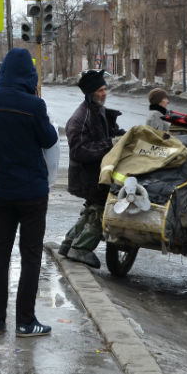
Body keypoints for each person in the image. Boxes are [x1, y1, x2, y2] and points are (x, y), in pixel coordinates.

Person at [0, 48, 58, 337]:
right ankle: (25, 321)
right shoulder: (33, 105)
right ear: (29, 75)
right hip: (32, 192)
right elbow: (48, 139)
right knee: (30, 255)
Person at [59, 69, 126, 269]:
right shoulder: (80, 118)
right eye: (100, 90)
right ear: (90, 93)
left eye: (105, 89)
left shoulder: (97, 111)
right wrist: (110, 143)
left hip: (95, 175)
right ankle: (81, 249)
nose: (104, 93)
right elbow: (79, 151)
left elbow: (107, 133)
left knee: (92, 209)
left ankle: (68, 243)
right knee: (101, 211)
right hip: (86, 177)